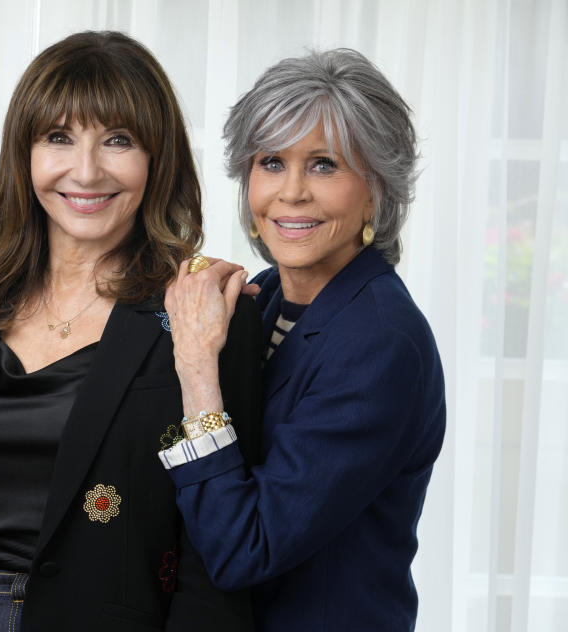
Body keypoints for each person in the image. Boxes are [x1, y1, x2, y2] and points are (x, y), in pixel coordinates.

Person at [0, 31, 261, 631]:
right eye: (59, 137)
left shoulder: (208, 308)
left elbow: (214, 562)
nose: (86, 171)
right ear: (26, 153)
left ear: (157, 158)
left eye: (118, 140)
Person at [159, 48, 446, 630]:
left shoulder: (381, 342)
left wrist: (195, 365)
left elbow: (246, 549)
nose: (291, 192)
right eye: (271, 162)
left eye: (323, 164)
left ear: (377, 189)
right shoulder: (263, 299)